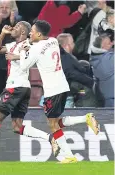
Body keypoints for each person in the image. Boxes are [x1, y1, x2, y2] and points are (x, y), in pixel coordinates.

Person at [8, 20, 99, 163]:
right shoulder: (53, 41)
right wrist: (30, 46)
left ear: (38, 33)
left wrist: (24, 50)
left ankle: (70, 155)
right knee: (56, 122)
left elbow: (25, 66)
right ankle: (84, 120)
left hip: (52, 90)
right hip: (63, 87)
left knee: (52, 124)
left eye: (32, 30)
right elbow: (44, 49)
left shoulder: (35, 49)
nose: (30, 33)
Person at [0, 21, 59, 164]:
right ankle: (49, 138)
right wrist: (3, 33)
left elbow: (33, 55)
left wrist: (16, 57)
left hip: (15, 87)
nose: (13, 28)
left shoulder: (28, 44)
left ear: (23, 32)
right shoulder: (12, 45)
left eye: (16, 27)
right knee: (17, 126)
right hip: (23, 88)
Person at [90, 34, 114, 107]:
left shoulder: (95, 58)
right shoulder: (109, 59)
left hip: (105, 98)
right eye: (109, 43)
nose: (112, 44)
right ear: (103, 46)